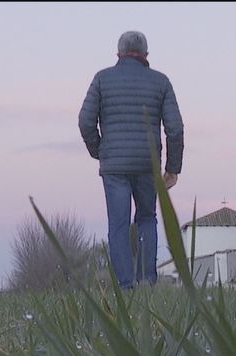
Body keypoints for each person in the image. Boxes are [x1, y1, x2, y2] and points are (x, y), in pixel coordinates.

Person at [78, 30, 184, 289]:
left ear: (118, 53)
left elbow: (85, 121)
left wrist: (99, 151)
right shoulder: (161, 82)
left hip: (114, 166)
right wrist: (172, 168)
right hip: (147, 165)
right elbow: (175, 128)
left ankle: (126, 287)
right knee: (147, 219)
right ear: (146, 55)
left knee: (119, 224)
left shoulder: (102, 79)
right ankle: (147, 281)